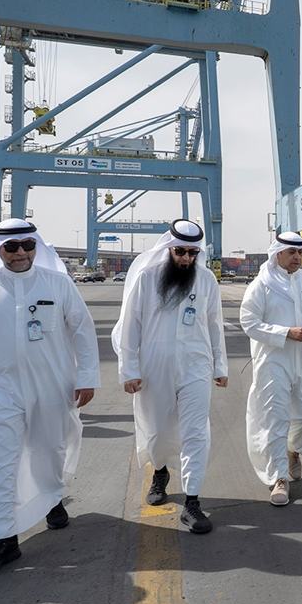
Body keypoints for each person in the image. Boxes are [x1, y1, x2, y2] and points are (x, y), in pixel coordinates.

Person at [0, 219, 99, 578]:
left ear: (36, 247)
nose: (20, 253)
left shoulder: (58, 283)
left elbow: (82, 331)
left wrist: (87, 377)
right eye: (11, 247)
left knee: (50, 450)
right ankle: (1, 538)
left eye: (27, 245)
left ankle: (51, 498)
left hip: (52, 385)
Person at [113, 219, 228, 534]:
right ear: (168, 249)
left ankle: (192, 502)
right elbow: (130, 326)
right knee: (159, 432)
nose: (186, 259)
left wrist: (220, 367)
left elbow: (215, 325)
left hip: (196, 367)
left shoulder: (206, 280)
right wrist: (129, 370)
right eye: (181, 252)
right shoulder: (147, 278)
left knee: (196, 433)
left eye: (193, 253)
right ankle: (160, 471)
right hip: (155, 368)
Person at [240, 231, 302, 506]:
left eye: (300, 252)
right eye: (292, 252)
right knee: (276, 419)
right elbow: (249, 321)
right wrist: (285, 333)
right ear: (278, 254)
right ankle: (279, 478)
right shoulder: (262, 284)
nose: (297, 257)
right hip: (274, 361)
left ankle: (293, 451)